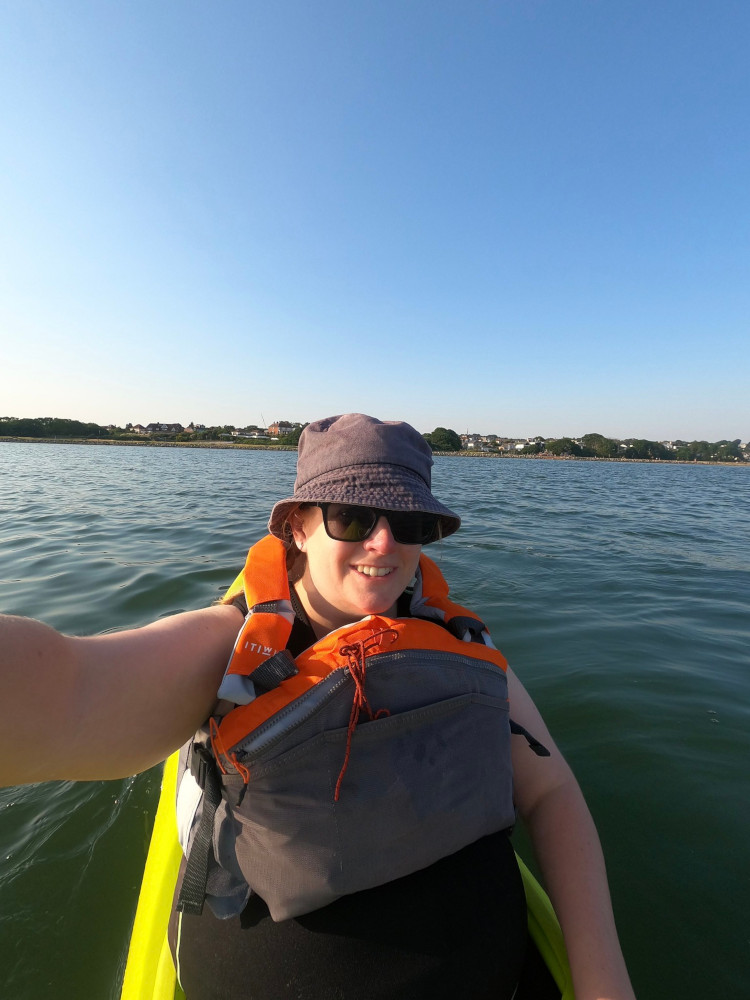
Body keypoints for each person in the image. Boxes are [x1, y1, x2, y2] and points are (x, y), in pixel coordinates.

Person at [0, 413, 636, 1000]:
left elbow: (550, 790)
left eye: (410, 523)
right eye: (354, 517)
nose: (385, 545)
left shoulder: (456, 641)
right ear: (298, 525)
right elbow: (69, 692)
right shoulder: (227, 647)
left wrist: (605, 983)